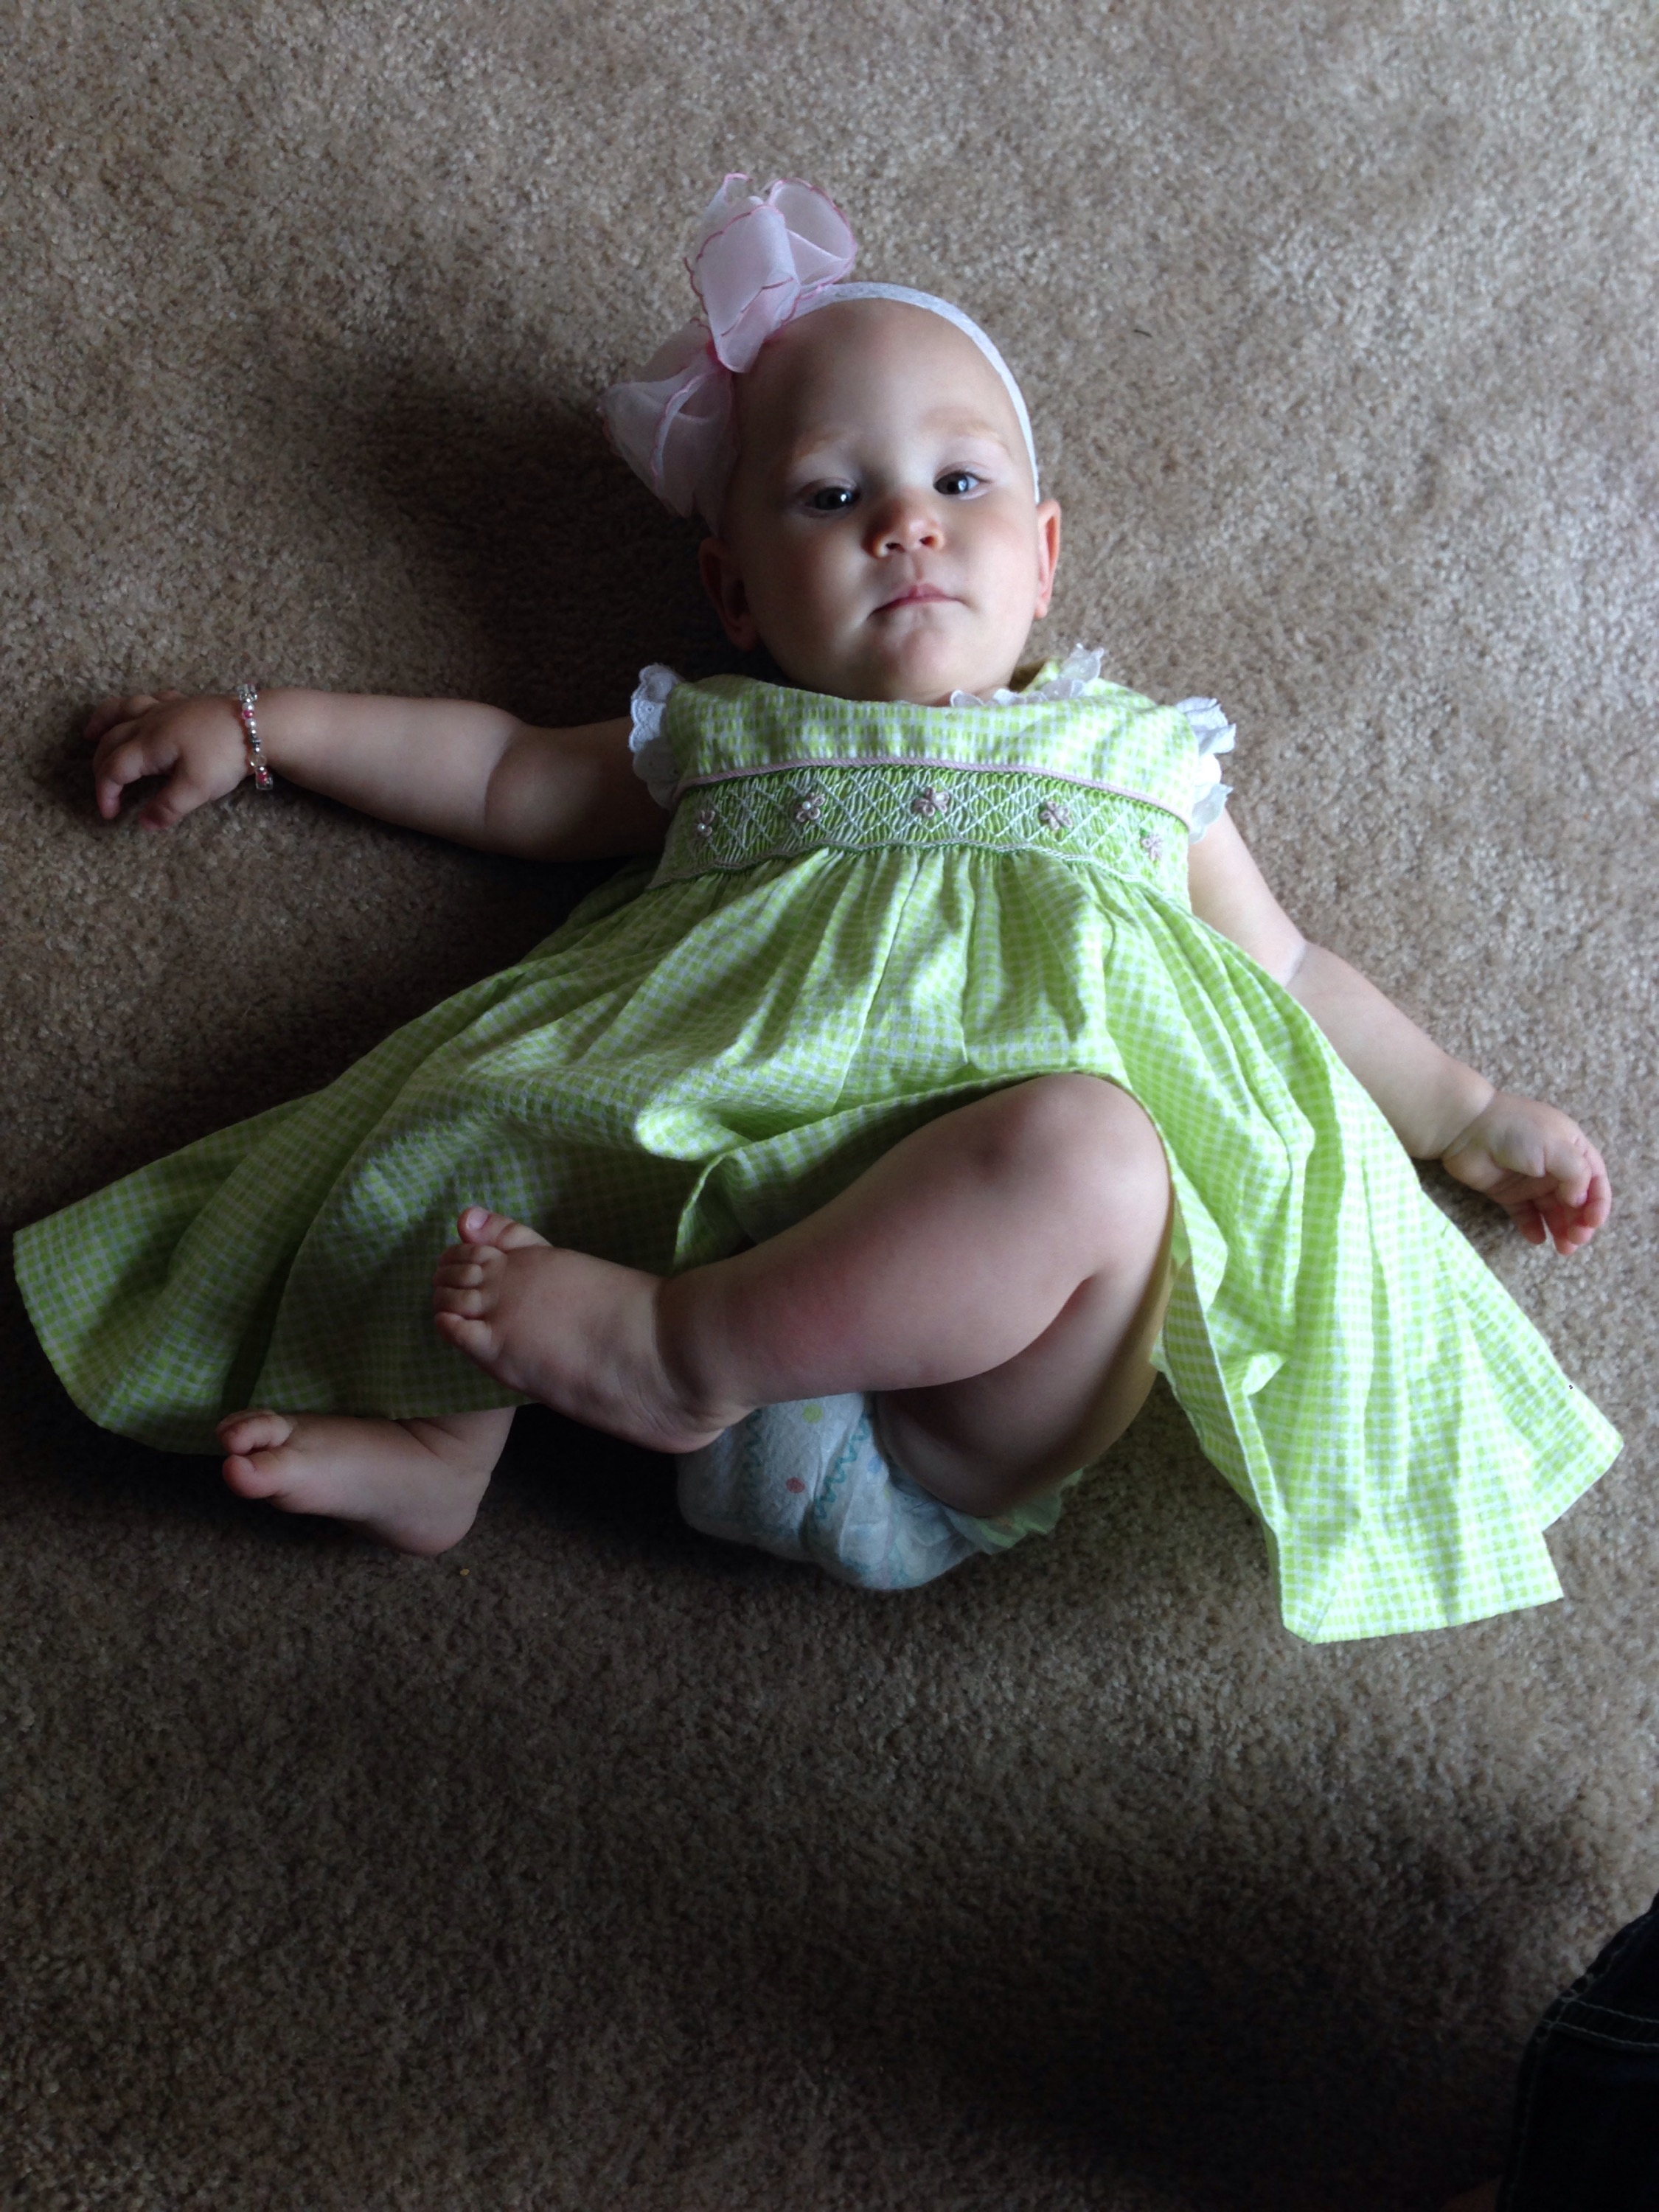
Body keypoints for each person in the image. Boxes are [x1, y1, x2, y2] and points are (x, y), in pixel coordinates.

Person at [13, 176, 1619, 1638]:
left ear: (1043, 556)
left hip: (949, 1419)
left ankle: (683, 1354)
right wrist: (268, 729)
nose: (904, 523)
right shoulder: (721, 736)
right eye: (829, 497)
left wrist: (1461, 1112)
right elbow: (506, 775)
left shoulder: (1139, 760)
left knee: (1097, 1154)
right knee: (501, 1098)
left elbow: (1288, 970)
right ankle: (444, 1452)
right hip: (686, 1224)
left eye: (959, 481)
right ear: (733, 591)